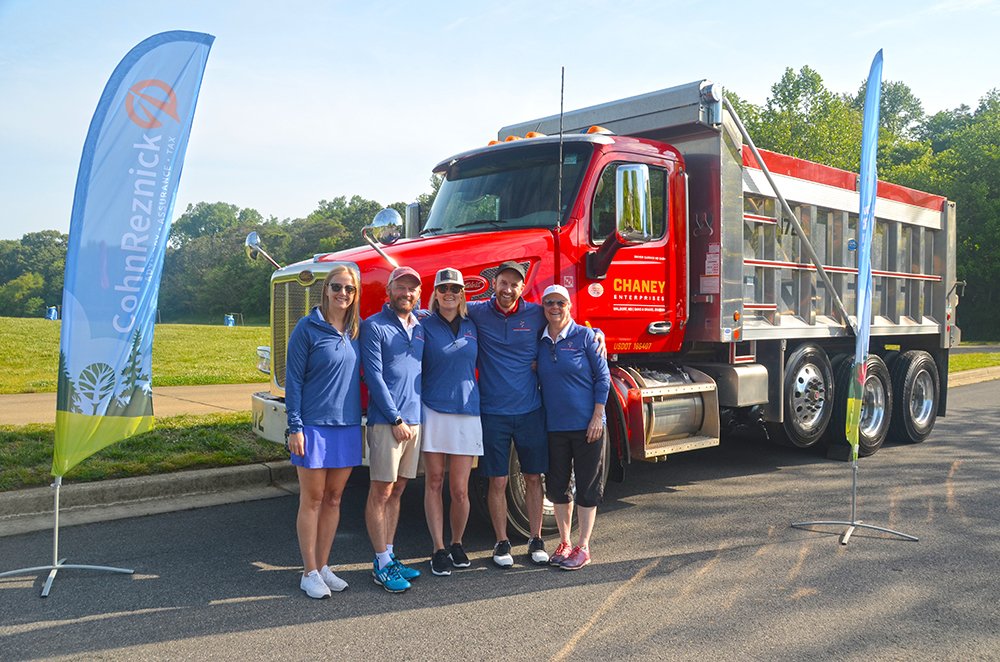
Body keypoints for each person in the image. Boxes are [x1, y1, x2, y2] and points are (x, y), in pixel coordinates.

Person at [466, 261, 551, 568]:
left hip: (530, 410)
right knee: (497, 481)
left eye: (514, 284)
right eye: (503, 282)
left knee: (532, 477)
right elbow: (441, 310)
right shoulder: (477, 312)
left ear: (522, 287)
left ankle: (536, 539)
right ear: (494, 284)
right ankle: (502, 543)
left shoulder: (535, 313)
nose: (508, 289)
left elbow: (566, 325)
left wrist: (596, 335)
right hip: (492, 413)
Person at [284, 265, 362, 599]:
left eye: (349, 289)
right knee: (312, 499)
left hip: (346, 426)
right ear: (325, 290)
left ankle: (324, 566)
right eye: (337, 287)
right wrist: (295, 426)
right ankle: (308, 571)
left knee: (334, 498)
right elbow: (294, 380)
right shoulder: (307, 327)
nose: (343, 294)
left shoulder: (357, 330)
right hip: (313, 427)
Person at [535, 284, 610, 570]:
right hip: (554, 426)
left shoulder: (586, 337)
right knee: (557, 486)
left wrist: (597, 416)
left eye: (561, 303)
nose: (555, 308)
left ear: (569, 306)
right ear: (543, 307)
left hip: (586, 426)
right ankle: (565, 542)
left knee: (588, 486)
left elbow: (602, 379)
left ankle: (584, 546)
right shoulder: (539, 340)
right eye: (549, 303)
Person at [360, 265, 425, 593]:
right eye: (401, 287)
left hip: (415, 422)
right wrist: (396, 419)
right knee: (381, 491)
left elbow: (460, 308)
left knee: (398, 490)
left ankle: (390, 554)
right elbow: (374, 378)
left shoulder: (420, 325)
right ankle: (381, 563)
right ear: (389, 290)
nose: (407, 293)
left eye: (412, 288)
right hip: (389, 423)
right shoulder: (374, 326)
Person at [420, 267, 483, 576]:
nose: (449, 294)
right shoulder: (423, 324)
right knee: (434, 481)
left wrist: (592, 332)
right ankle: (438, 548)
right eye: (443, 288)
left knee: (460, 489)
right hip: (433, 410)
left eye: (455, 289)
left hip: (468, 412)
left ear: (462, 294)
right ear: (436, 294)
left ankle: (457, 543)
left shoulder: (474, 324)